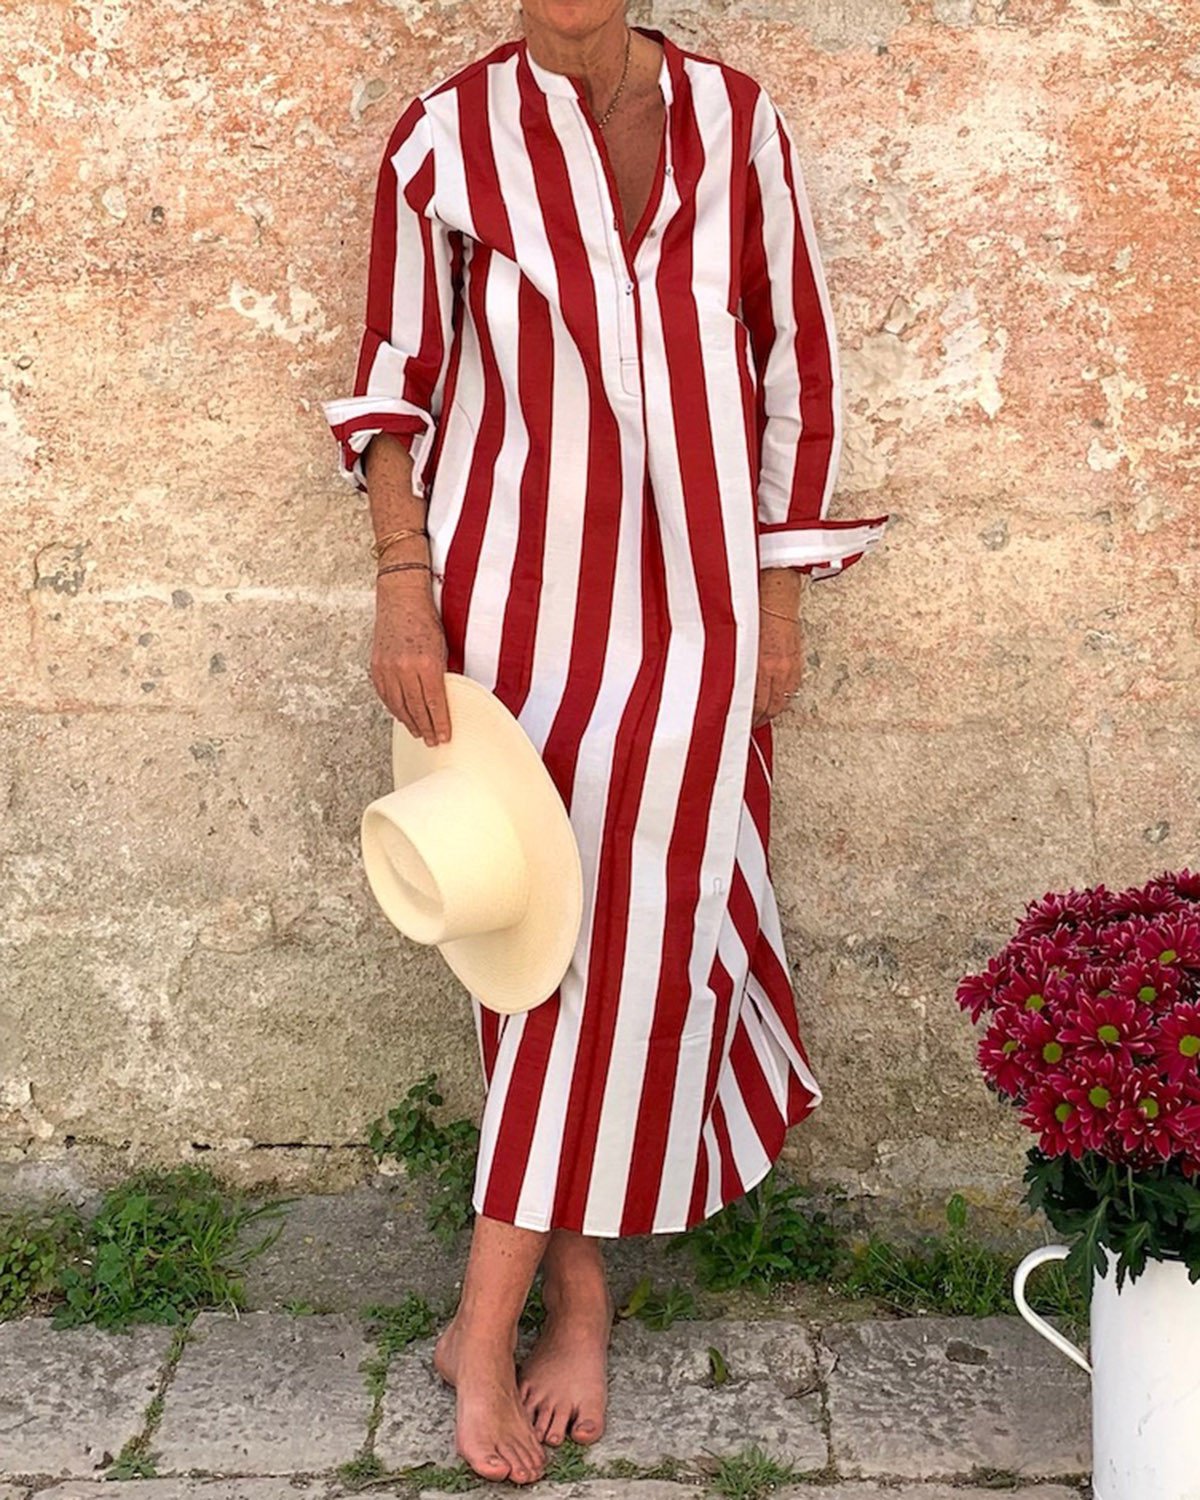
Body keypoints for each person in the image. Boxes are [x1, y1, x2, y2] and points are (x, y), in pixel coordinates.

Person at [322, 0, 889, 1485]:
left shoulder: (738, 122)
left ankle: (519, 1313)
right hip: (516, 611)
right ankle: (529, 1313)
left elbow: (795, 360)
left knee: (638, 938)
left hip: (700, 612)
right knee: (541, 945)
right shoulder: (445, 139)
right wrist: (402, 587)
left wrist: (778, 595)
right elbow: (394, 385)